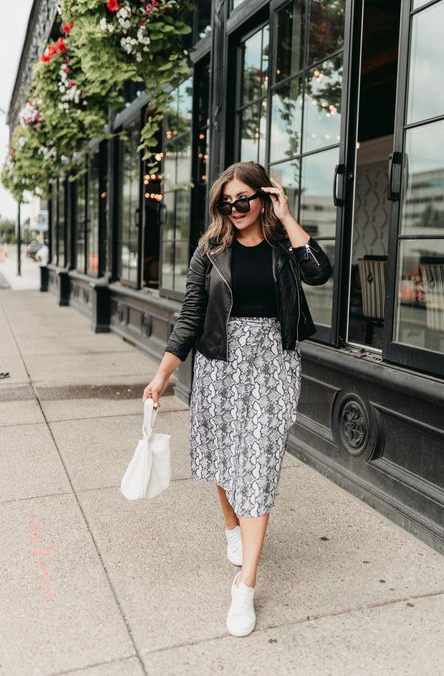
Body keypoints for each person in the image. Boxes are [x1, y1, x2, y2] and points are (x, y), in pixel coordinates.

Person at [142, 161, 331, 637]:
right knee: (226, 460)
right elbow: (190, 314)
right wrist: (163, 374)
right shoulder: (210, 249)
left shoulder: (284, 247)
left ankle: (245, 585)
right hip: (220, 363)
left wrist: (288, 219)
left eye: (243, 198)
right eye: (227, 202)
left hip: (273, 366)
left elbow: (321, 273)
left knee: (259, 463)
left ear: (264, 196)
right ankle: (232, 527)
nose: (235, 208)